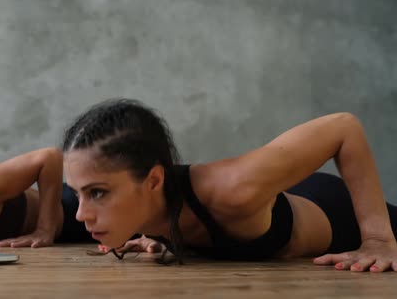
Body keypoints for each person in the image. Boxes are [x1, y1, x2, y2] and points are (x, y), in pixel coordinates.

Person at [61, 98, 397, 272]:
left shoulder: (233, 188)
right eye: (77, 193)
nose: (80, 214)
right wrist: (158, 234)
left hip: (337, 212)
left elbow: (343, 127)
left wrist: (378, 238)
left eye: (98, 193)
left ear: (153, 180)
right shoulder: (151, 208)